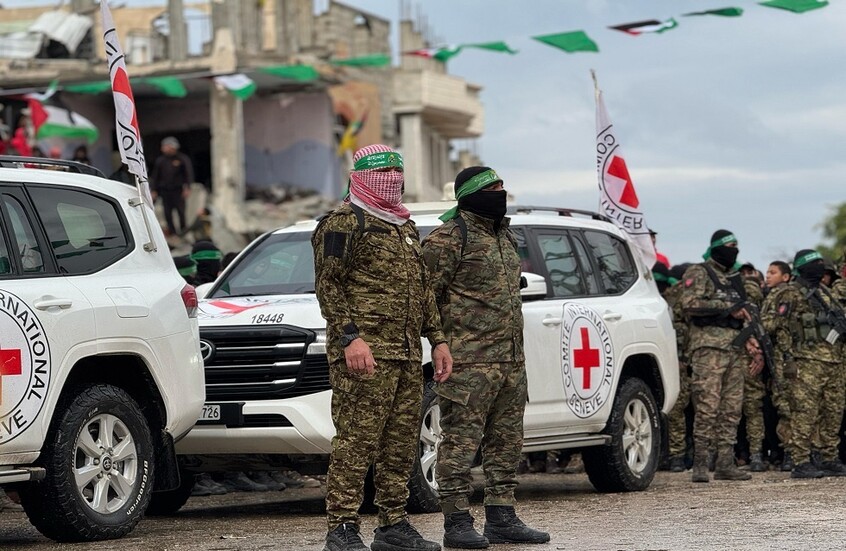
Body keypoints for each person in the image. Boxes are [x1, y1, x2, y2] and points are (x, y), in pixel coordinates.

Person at [312, 144, 452, 551]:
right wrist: (350, 337)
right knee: (357, 440)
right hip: (365, 354)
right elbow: (328, 286)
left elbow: (423, 290)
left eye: (397, 171)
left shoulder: (403, 227)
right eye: (382, 172)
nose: (392, 178)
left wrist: (438, 339)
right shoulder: (343, 223)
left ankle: (393, 524)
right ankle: (341, 527)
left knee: (400, 444)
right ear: (360, 177)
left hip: (406, 353)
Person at [422, 166, 549, 549]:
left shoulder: (504, 235)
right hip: (468, 362)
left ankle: (502, 516)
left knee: (506, 442)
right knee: (460, 443)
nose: (501, 192)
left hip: (510, 361)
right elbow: (425, 298)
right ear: (472, 194)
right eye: (493, 187)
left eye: (502, 186)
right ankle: (457, 522)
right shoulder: (448, 238)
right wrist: (438, 341)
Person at [679, 230, 763, 483]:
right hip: (709, 350)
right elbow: (689, 304)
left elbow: (743, 315)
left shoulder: (735, 278)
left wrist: (751, 342)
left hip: (735, 350)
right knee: (707, 407)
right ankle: (701, 463)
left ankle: (725, 463)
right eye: (729, 245)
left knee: (732, 409)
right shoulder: (699, 272)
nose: (733, 249)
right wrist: (727, 308)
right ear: (716, 247)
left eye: (736, 245)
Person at [762, 250, 846, 478]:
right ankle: (800, 460)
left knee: (832, 411)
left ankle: (828, 457)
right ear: (802, 267)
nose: (820, 266)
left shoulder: (825, 292)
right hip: (806, 362)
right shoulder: (790, 293)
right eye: (815, 263)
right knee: (804, 412)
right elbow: (769, 323)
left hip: (834, 361)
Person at [659, 263, 692, 472]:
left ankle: (679, 455)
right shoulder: (672, 300)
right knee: (678, 410)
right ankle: (677, 455)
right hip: (680, 363)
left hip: (692, 362)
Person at [763, 260, 795, 471]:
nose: (767, 275)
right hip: (775, 357)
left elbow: (776, 322)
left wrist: (758, 322)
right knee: (781, 404)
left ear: (785, 277)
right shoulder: (772, 295)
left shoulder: (786, 294)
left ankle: (791, 452)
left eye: (773, 272)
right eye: (767, 272)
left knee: (787, 405)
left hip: (786, 357)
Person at [151, 136, 193, 236]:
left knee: (181, 212)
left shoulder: (182, 159)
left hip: (178, 190)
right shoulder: (160, 160)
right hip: (165, 190)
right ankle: (172, 232)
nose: (163, 148)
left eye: (165, 146)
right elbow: (155, 176)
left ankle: (183, 231)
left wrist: (187, 187)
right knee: (167, 213)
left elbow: (188, 174)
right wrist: (153, 190)